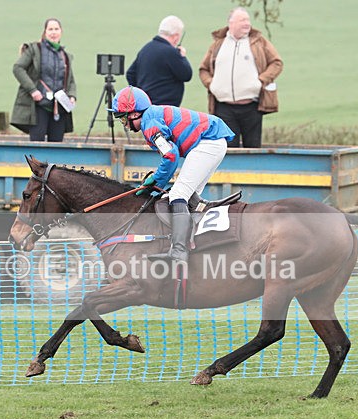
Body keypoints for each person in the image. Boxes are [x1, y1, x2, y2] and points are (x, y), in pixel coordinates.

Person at [109, 86, 234, 264]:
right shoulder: (152, 116)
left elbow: (170, 155)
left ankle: (179, 251)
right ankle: (192, 243)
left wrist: (157, 180)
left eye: (123, 118)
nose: (125, 125)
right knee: (190, 197)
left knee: (177, 195)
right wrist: (157, 179)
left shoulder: (149, 125)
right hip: (212, 142)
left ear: (135, 114)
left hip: (209, 142)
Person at [199, 7, 283, 148]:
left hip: (251, 107)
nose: (247, 23)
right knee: (228, 150)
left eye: (248, 20)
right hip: (223, 108)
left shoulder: (259, 42)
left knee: (252, 148)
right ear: (231, 23)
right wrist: (212, 85)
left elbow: (277, 63)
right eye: (243, 20)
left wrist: (261, 81)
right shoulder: (218, 44)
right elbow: (203, 69)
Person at [10, 18, 77, 142]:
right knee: (37, 146)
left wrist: (72, 96)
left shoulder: (65, 55)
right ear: (45, 32)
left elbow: (70, 79)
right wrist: (33, 90)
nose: (53, 32)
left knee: (56, 147)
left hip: (59, 107)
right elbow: (18, 68)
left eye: (56, 29)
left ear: (61, 31)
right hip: (38, 105)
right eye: (50, 29)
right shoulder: (35, 49)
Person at [125, 15, 192, 107]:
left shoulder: (146, 48)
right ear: (176, 36)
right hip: (165, 108)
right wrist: (183, 57)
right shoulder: (171, 52)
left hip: (146, 106)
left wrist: (140, 95)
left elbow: (130, 73)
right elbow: (186, 75)